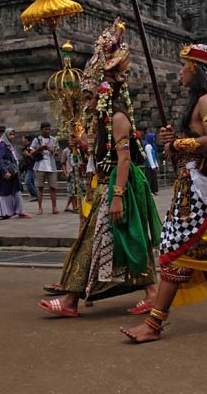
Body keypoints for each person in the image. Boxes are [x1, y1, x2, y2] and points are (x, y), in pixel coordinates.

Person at [122, 24, 207, 343]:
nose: (179, 73)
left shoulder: (206, 102)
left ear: (196, 70)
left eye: (183, 67)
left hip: (200, 190)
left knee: (175, 250)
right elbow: (195, 144)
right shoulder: (200, 102)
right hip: (194, 185)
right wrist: (173, 144)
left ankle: (154, 324)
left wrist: (180, 143)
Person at [38, 18, 161, 318]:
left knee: (102, 239)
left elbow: (124, 159)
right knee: (122, 240)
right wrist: (81, 143)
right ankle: (152, 292)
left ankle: (70, 301)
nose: (87, 101)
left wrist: (117, 195)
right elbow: (102, 154)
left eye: (90, 96)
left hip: (118, 188)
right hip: (106, 186)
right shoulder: (102, 121)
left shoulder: (118, 119)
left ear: (104, 93)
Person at [0, 128, 32, 219]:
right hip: (6, 172)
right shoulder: (3, 145)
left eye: (13, 134)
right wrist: (5, 171)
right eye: (10, 134)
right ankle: (5, 212)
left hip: (13, 171)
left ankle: (20, 211)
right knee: (5, 192)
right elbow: (0, 159)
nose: (12, 136)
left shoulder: (9, 145)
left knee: (16, 190)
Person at [32, 122, 59, 215]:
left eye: (49, 129)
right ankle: (40, 208)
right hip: (40, 166)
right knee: (40, 187)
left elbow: (57, 153)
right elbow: (31, 152)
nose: (47, 131)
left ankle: (54, 207)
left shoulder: (54, 140)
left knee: (53, 187)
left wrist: (50, 149)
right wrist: (39, 149)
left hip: (51, 166)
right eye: (45, 129)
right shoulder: (36, 140)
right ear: (41, 130)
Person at [61, 135, 80, 213]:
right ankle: (75, 207)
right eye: (70, 140)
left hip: (78, 172)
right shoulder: (66, 151)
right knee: (71, 190)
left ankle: (71, 206)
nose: (71, 142)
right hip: (70, 172)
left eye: (73, 140)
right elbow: (63, 163)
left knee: (77, 190)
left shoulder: (78, 150)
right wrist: (65, 172)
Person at [20, 134, 38, 202]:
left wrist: (28, 154)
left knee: (27, 181)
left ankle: (35, 195)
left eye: (23, 138)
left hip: (32, 167)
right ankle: (34, 195)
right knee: (31, 181)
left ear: (27, 139)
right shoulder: (25, 147)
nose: (22, 140)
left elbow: (34, 158)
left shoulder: (31, 147)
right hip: (27, 167)